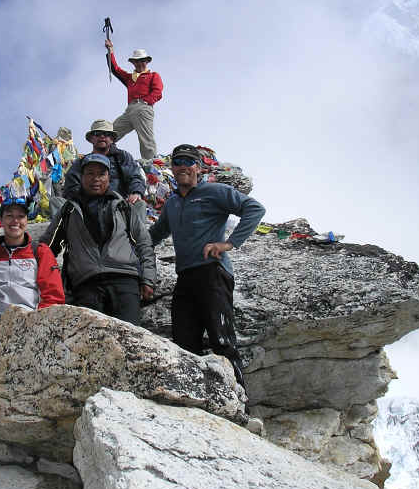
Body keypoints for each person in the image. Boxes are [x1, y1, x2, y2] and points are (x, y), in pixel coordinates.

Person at [148, 144, 265, 387]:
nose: (183, 166)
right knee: (184, 345)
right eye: (177, 161)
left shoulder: (214, 191)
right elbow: (157, 233)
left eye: (189, 161)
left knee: (221, 339)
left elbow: (254, 209)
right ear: (172, 167)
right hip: (185, 279)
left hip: (213, 273)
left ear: (198, 168)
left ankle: (241, 407)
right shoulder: (171, 203)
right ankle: (197, 403)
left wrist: (230, 243)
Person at [41, 153, 156, 325]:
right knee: (92, 345)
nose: (96, 179)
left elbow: (143, 243)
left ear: (109, 177)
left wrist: (147, 278)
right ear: (81, 177)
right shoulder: (68, 210)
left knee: (129, 341)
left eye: (101, 174)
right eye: (90, 173)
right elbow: (48, 246)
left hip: (125, 280)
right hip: (86, 284)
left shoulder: (123, 207)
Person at [0, 196, 64, 321]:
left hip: (32, 323)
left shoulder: (40, 252)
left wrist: (38, 323)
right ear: (1, 220)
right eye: (9, 216)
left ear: (26, 220)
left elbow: (53, 295)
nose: (15, 221)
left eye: (20, 216)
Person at [61, 119, 146, 216]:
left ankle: (134, 231)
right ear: (91, 139)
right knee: (58, 203)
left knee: (140, 205)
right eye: (97, 134)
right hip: (87, 210)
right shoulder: (81, 162)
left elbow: (135, 177)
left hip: (118, 208)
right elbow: (71, 186)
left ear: (112, 139)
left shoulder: (122, 157)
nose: (102, 136)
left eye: (106, 134)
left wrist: (136, 193)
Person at [105, 38, 163, 160]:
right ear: (133, 63)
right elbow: (115, 69)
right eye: (136, 61)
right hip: (129, 110)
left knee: (146, 139)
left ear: (146, 61)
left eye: (142, 61)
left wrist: (146, 102)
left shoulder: (153, 75)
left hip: (143, 107)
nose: (139, 63)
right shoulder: (130, 78)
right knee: (110, 133)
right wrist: (110, 50)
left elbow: (158, 92)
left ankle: (151, 165)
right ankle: (100, 157)